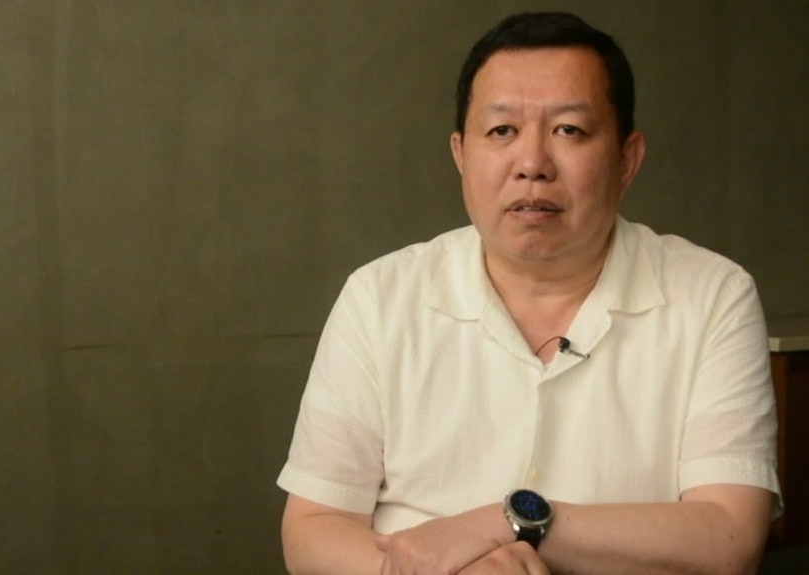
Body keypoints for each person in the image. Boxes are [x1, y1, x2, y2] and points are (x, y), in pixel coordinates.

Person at [277, 11, 781, 575]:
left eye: (569, 130)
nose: (533, 165)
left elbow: (729, 535)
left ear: (627, 160)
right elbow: (313, 530)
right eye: (501, 131)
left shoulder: (714, 295)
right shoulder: (379, 297)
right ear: (461, 154)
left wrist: (511, 522)